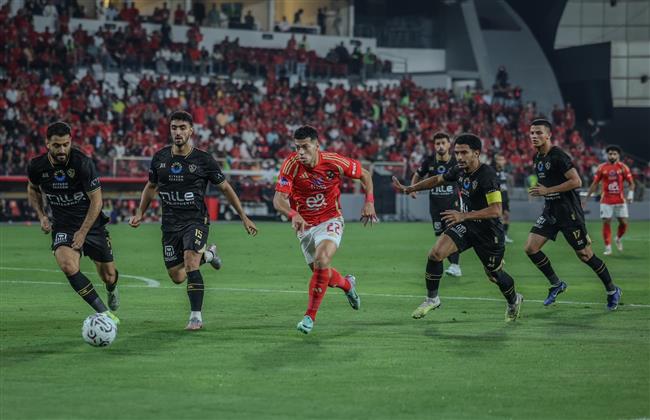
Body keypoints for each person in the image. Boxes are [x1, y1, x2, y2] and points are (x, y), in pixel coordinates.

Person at [129, 111, 258, 330]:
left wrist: (243, 216)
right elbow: (151, 187)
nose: (177, 132)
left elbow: (225, 187)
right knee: (177, 276)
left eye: (182, 128)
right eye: (174, 127)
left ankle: (195, 316)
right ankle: (209, 255)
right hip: (170, 224)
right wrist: (141, 212)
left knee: (190, 263)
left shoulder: (203, 160)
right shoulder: (160, 158)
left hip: (196, 221)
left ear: (191, 130)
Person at [393, 133, 523, 322]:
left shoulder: (488, 176)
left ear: (476, 153)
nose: (459, 157)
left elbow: (496, 210)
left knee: (494, 274)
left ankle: (513, 300)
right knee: (435, 254)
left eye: (464, 153)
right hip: (468, 226)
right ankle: (432, 299)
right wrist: (412, 188)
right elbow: (437, 180)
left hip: (489, 233)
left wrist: (463, 215)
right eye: (457, 153)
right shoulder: (459, 169)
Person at [273, 125, 376, 334]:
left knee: (322, 261)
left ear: (316, 145)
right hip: (305, 226)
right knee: (322, 273)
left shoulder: (334, 161)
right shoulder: (291, 165)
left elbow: (365, 174)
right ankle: (347, 285)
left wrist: (370, 202)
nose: (300, 152)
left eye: (305, 147)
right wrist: (294, 214)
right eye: (297, 147)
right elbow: (278, 200)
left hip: (331, 219)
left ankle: (309, 317)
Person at [27, 121, 120, 323]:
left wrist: (83, 232)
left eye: (65, 144)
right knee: (68, 265)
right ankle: (105, 315)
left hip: (92, 225)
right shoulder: (37, 166)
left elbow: (97, 201)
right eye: (56, 145)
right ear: (47, 144)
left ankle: (112, 290)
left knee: (109, 276)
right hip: (63, 226)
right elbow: (33, 188)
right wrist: (42, 215)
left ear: (71, 142)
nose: (62, 150)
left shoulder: (82, 163)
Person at [525, 119, 622, 310]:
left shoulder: (558, 155)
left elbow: (576, 181)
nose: (534, 136)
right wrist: (544, 193)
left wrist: (547, 190)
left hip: (569, 213)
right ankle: (556, 284)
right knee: (530, 248)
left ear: (548, 135)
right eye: (532, 133)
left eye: (538, 133)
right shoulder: (537, 158)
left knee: (585, 255)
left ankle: (612, 290)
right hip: (551, 211)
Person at [410, 132, 462, 277]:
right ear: (434, 146)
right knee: (441, 235)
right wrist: (413, 188)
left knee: (451, 234)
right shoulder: (429, 161)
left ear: (448, 144)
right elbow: (418, 174)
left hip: (453, 205)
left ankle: (455, 265)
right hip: (435, 206)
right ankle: (452, 264)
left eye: (443, 143)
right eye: (437, 143)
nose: (440, 146)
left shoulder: (456, 162)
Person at [583, 145, 635, 255]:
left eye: (614, 154)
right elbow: (595, 184)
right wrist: (586, 198)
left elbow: (631, 184)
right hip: (606, 200)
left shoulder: (623, 167)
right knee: (606, 222)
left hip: (620, 200)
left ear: (618, 155)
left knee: (624, 223)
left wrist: (630, 195)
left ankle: (618, 238)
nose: (612, 155)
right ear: (607, 155)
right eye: (610, 153)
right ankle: (608, 247)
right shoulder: (602, 167)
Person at [493, 153, 514, 243]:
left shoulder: (504, 171)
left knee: (507, 216)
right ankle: (497, 236)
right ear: (496, 161)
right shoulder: (492, 171)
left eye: (502, 159)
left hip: (505, 197)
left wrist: (508, 192)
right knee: (499, 217)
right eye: (499, 159)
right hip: (497, 197)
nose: (501, 161)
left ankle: (505, 236)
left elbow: (507, 183)